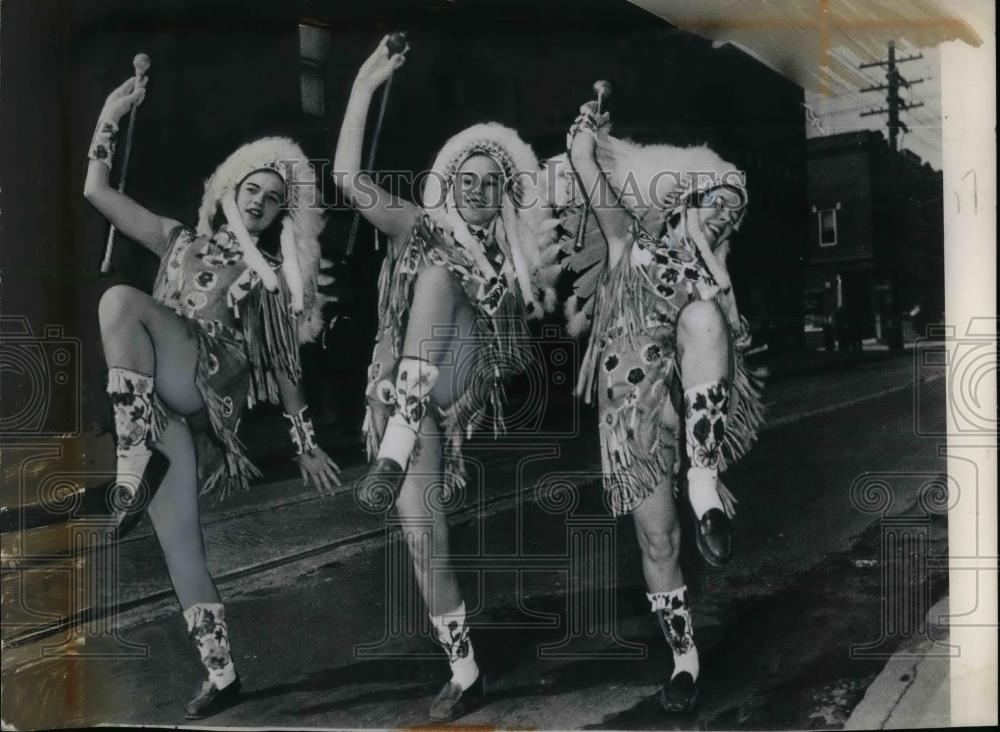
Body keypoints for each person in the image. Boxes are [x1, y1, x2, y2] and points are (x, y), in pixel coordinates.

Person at [84, 76, 341, 719]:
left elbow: (284, 368)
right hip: (164, 415)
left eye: (273, 199)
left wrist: (304, 442)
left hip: (200, 377)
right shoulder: (176, 238)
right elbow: (97, 191)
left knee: (118, 300)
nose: (259, 202)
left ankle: (129, 463)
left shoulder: (269, 282)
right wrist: (112, 114)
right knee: (181, 554)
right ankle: (223, 674)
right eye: (252, 189)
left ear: (283, 213)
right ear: (229, 190)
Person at [333, 37, 558, 723]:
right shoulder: (418, 225)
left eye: (494, 184)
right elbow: (346, 178)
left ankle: (395, 449)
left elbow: (512, 360)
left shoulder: (512, 264)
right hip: (404, 395)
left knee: (439, 272)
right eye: (471, 182)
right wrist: (365, 84)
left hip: (452, 386)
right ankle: (466, 672)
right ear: (451, 183)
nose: (483, 193)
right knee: (423, 539)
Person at [554, 100, 764, 713]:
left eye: (735, 215)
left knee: (702, 317)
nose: (726, 217)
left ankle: (704, 483)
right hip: (631, 421)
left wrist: (717, 273)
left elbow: (725, 348)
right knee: (658, 544)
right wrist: (585, 136)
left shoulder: (713, 287)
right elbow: (588, 172)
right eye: (718, 203)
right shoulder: (630, 242)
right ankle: (684, 660)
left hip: (687, 401)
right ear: (687, 200)